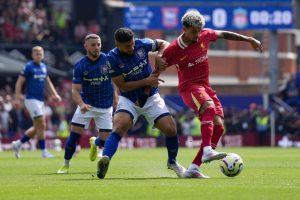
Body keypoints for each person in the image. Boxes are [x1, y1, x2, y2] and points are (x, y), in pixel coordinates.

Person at [157, 9, 263, 178]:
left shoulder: (205, 35)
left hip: (206, 87)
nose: (197, 35)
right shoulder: (174, 49)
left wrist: (248, 39)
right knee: (208, 108)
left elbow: (224, 34)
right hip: (189, 88)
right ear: (184, 29)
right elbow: (159, 66)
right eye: (194, 31)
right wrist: (153, 76)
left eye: (199, 31)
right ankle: (207, 150)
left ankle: (193, 168)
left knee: (219, 126)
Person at [96, 27, 186, 179]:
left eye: (131, 44)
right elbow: (122, 85)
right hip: (129, 98)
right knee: (119, 126)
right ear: (117, 44)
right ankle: (105, 159)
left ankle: (172, 162)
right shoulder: (111, 60)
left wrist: (160, 55)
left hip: (151, 95)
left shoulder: (141, 44)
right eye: (127, 46)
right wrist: (146, 81)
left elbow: (164, 43)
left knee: (171, 128)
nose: (131, 48)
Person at [57, 34, 117, 174]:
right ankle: (66, 164)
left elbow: (115, 79)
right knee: (74, 136)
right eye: (93, 45)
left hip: (105, 105)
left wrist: (116, 97)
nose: (96, 47)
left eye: (99, 44)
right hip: (87, 105)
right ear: (86, 46)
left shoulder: (108, 60)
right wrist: (81, 104)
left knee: (104, 141)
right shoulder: (80, 65)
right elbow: (75, 90)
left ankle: (95, 143)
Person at [11, 46, 62, 158]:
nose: (38, 55)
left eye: (40, 53)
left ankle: (18, 144)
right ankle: (44, 151)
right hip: (31, 99)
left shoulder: (44, 67)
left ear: (43, 55)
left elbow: (48, 82)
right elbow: (19, 83)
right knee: (42, 124)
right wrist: (16, 98)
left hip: (40, 100)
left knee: (37, 127)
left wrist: (55, 94)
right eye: (36, 53)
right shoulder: (29, 66)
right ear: (32, 55)